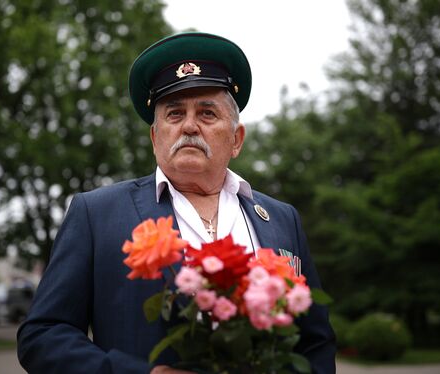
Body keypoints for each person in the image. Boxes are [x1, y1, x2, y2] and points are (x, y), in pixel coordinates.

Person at [17, 32, 336, 374]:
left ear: (236, 139)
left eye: (207, 113)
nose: (189, 125)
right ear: (155, 138)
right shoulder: (96, 214)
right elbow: (43, 335)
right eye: (173, 114)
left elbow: (314, 342)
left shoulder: (282, 218)